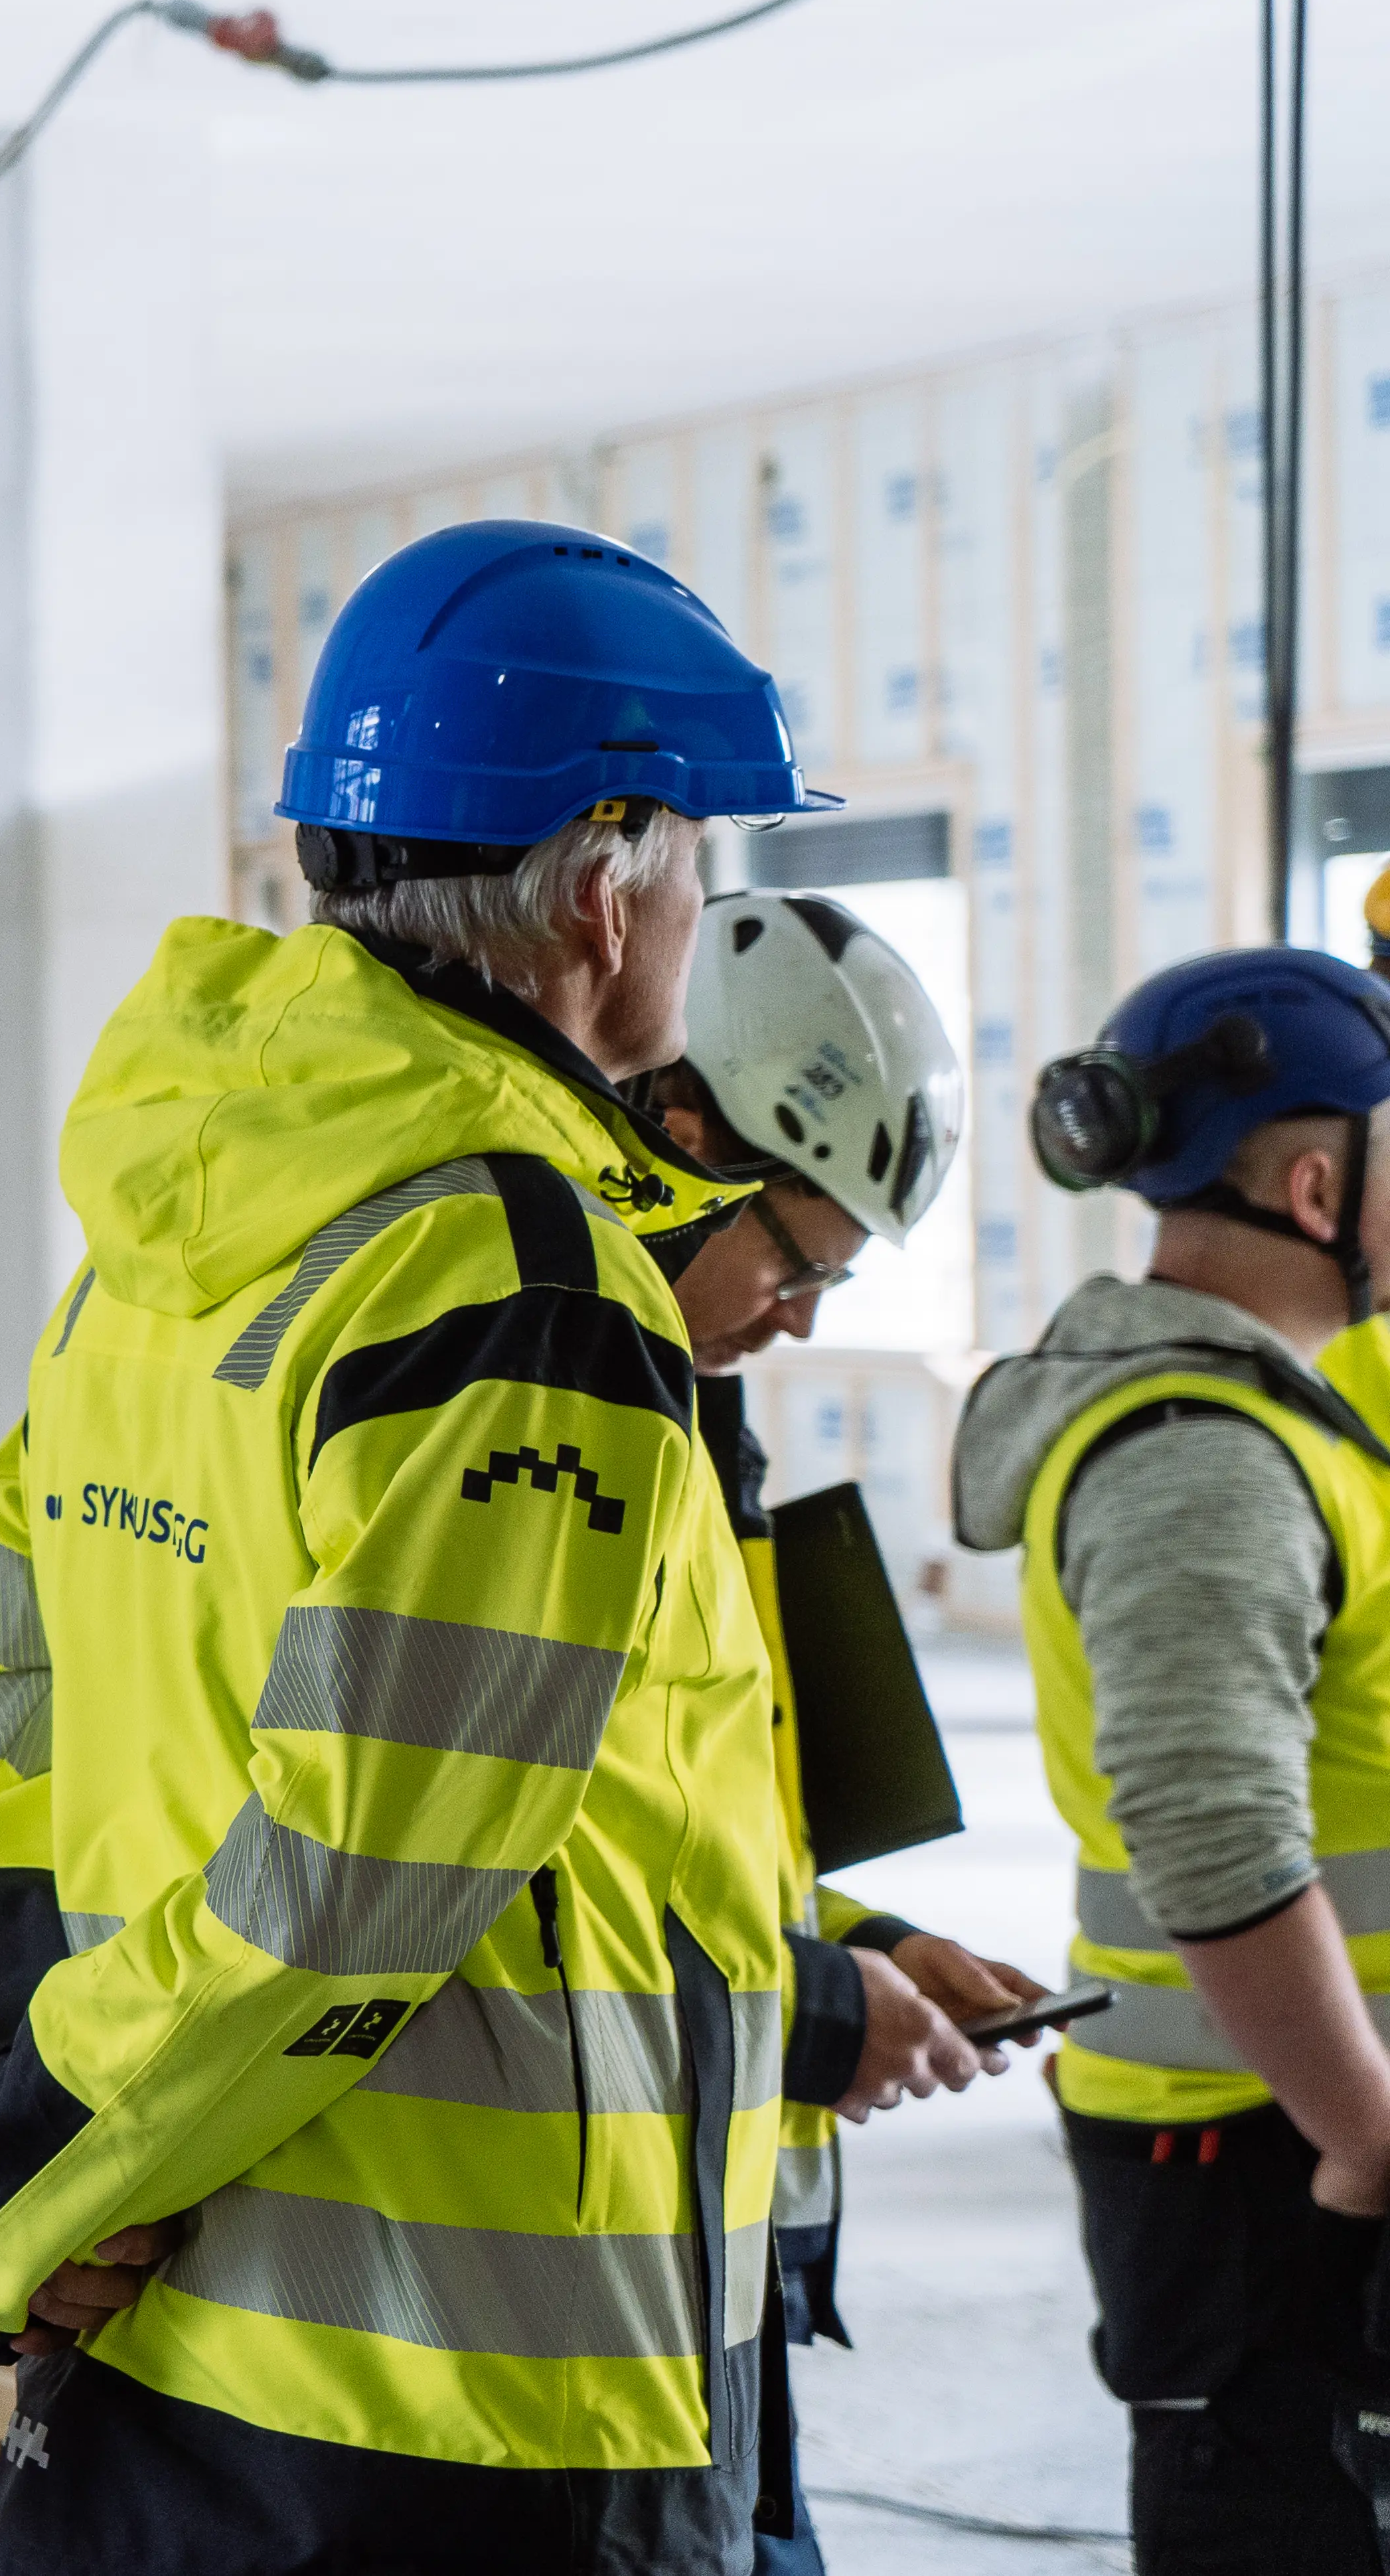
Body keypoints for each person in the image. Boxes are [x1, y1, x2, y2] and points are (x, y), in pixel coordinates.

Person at [0, 520, 948, 2573]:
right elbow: (361, 1870)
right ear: (609, 880)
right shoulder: (520, 1275)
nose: (701, 914)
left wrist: (8, 2086)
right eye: (705, 861)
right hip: (475, 2411)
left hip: (180, 2321)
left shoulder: (180, 1227)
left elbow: (18, 1702)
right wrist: (43, 2171)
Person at [953, 947, 1390, 2571]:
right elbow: (1211, 1831)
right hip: (1267, 2143)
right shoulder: (1199, 1457)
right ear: (1314, 1179)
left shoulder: (1298, 1415)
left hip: (1292, 2107)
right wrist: (1367, 2132)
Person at [630, 891, 1047, 2574]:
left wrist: (865, 1942)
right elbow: (485, 1877)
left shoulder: (697, 1425)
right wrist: (814, 2009)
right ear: (677, 1137)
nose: (800, 1315)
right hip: (601, 2297)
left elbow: (669, 1818)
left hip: (730, 2260)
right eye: (797, 1261)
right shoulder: (546, 1436)